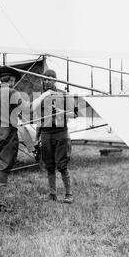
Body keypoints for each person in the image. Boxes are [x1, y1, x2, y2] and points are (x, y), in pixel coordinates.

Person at [0, 67, 55, 212]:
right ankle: (0, 203)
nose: (14, 83)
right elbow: (29, 108)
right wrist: (44, 95)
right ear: (11, 80)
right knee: (3, 167)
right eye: (14, 81)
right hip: (7, 133)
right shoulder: (12, 92)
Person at [35, 69, 76, 204]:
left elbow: (74, 114)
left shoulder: (64, 95)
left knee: (62, 165)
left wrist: (62, 111)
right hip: (46, 134)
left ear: (56, 79)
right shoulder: (41, 97)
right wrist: (36, 139)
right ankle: (52, 194)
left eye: (50, 79)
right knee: (49, 165)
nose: (47, 81)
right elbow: (39, 120)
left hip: (61, 133)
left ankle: (68, 194)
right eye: (45, 79)